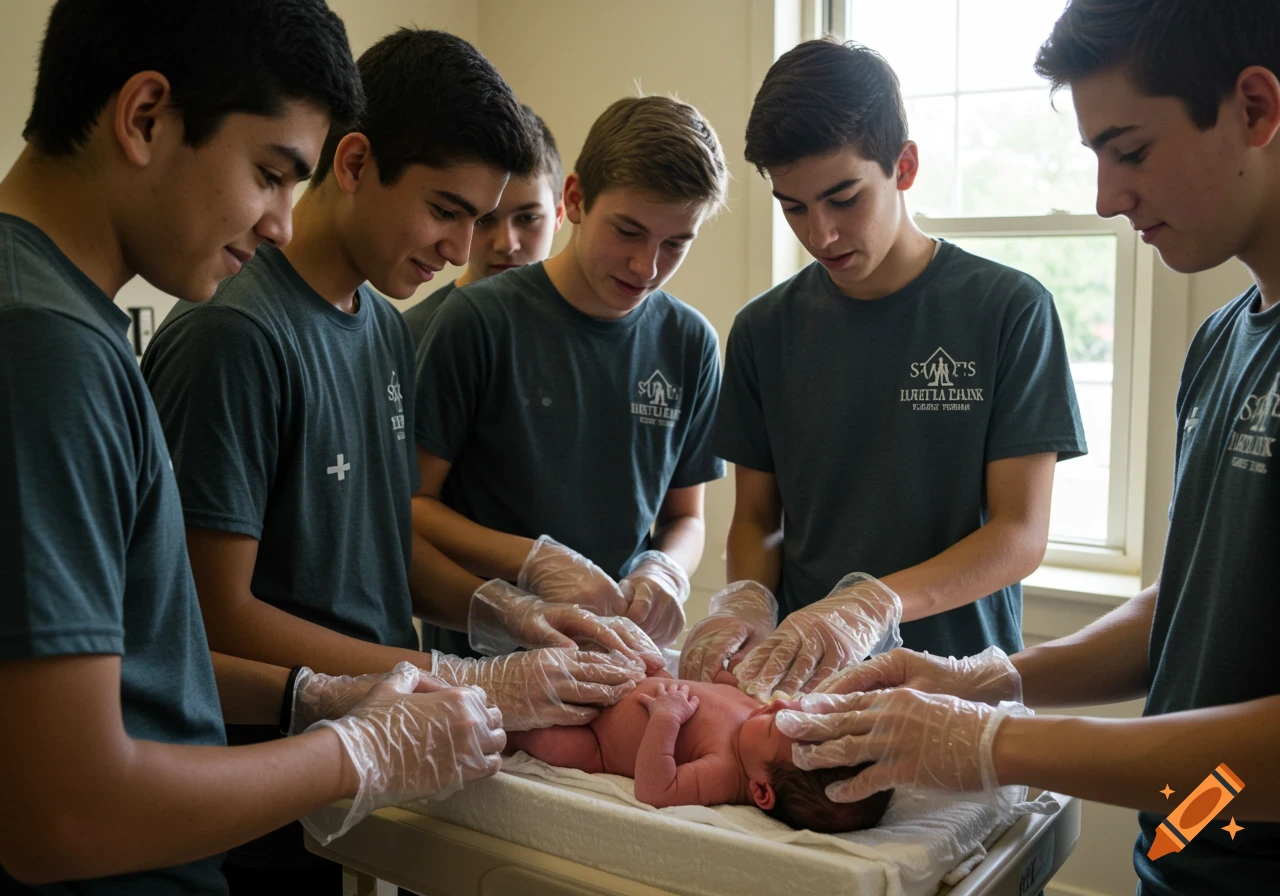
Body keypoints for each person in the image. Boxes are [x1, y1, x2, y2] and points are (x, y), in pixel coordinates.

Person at [0, 2, 508, 893]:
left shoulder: (62, 321)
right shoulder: (48, 347)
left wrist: (308, 696)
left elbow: (144, 665)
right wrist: (356, 752)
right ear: (146, 117)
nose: (280, 221)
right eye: (270, 173)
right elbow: (66, 816)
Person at [772, 3, 1280, 894]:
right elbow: (1199, 606)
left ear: (1256, 108)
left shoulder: (1002, 308)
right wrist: (986, 682)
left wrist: (993, 743)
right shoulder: (1227, 339)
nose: (1106, 198)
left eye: (1130, 150)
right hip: (1192, 854)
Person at [140, 27, 645, 891]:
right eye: (445, 210)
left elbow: (375, 539)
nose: (461, 249)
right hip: (265, 786)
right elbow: (213, 617)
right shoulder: (234, 337)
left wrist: (503, 615)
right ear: (355, 162)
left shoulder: (377, 326)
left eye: (479, 220)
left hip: (385, 761)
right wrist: (448, 672)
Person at [680, 38, 1087, 699]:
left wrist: (870, 605)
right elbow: (757, 518)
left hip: (955, 684)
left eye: (844, 198)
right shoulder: (763, 331)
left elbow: (1019, 534)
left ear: (904, 166)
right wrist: (747, 604)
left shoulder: (1008, 310)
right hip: (809, 685)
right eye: (794, 207)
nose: (821, 234)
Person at [411, 95, 730, 659]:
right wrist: (532, 564)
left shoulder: (690, 343)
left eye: (675, 244)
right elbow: (410, 504)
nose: (646, 267)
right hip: (483, 664)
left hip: (617, 656)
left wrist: (664, 570)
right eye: (628, 232)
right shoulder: (479, 321)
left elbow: (686, 516)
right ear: (576, 199)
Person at [509, 677, 892, 833]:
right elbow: (712, 692)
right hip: (620, 683)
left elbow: (657, 789)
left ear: (762, 790)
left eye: (777, 725)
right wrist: (723, 679)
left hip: (596, 739)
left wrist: (667, 718)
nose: (778, 704)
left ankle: (504, 731)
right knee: (553, 674)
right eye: (794, 708)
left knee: (543, 738)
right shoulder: (755, 726)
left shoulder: (725, 771)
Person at [403, 105, 565, 346]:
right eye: (483, 219)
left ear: (559, 215)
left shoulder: (584, 329)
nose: (506, 244)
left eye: (528, 218)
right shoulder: (409, 337)